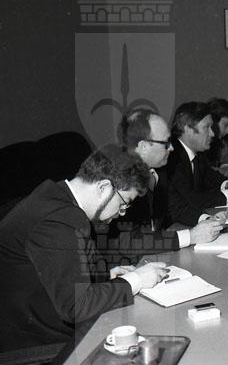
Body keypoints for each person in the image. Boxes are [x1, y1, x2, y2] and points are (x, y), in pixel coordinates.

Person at [0, 145, 169, 352]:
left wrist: (104, 276)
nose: (122, 213)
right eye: (124, 203)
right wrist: (137, 280)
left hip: (38, 321)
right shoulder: (60, 218)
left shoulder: (55, 196)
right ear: (103, 187)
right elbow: (75, 306)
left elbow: (55, 270)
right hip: (35, 344)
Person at [108, 109, 225, 259]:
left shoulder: (159, 170)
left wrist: (207, 220)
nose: (172, 148)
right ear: (143, 146)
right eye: (165, 143)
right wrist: (190, 236)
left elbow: (176, 207)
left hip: (157, 254)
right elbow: (129, 241)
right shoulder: (119, 179)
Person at [167, 102, 228, 226]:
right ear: (188, 129)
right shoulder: (172, 157)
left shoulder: (195, 152)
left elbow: (210, 177)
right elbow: (189, 199)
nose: (212, 133)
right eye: (207, 127)